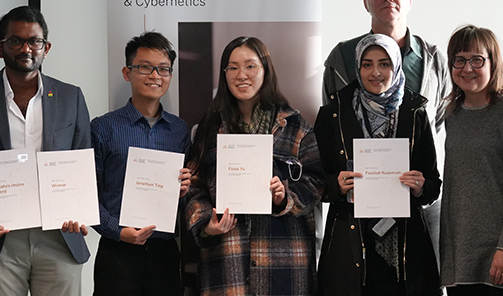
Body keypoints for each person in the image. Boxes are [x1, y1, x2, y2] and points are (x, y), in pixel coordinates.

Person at [0, 6, 90, 296]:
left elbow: (83, 165)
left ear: (46, 47)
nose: (26, 48)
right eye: (15, 41)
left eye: (34, 41)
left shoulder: (70, 97)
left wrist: (81, 211)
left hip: (59, 237)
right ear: (0, 47)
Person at [321, 0, 450, 267]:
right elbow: (332, 123)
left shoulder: (432, 59)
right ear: (366, 1)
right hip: (357, 204)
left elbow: (441, 121)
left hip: (417, 201)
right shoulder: (342, 58)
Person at [185, 36, 325, 295]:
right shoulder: (210, 127)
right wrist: (206, 223)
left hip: (284, 263)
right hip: (227, 260)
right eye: (233, 67)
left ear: (265, 70)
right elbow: (193, 186)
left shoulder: (295, 126)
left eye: (250, 66)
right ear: (224, 74)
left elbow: (316, 183)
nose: (242, 75)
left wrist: (286, 198)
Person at [315, 34, 441, 295]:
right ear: (357, 68)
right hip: (349, 247)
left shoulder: (415, 112)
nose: (376, 72)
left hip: (406, 250)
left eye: (384, 64)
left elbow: (433, 185)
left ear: (396, 66)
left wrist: (420, 187)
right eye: (367, 64)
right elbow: (315, 181)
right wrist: (336, 185)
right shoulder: (332, 114)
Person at [91, 31, 191, 295]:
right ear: (128, 72)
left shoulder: (179, 130)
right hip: (117, 252)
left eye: (163, 69)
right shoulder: (104, 127)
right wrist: (118, 231)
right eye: (145, 67)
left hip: (164, 253)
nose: (155, 76)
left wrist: (183, 191)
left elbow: (182, 200)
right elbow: (87, 194)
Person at [440, 25, 503, 295]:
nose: (467, 68)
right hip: (459, 254)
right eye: (460, 59)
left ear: (493, 62)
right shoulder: (451, 115)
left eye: (477, 59)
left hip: (496, 253)